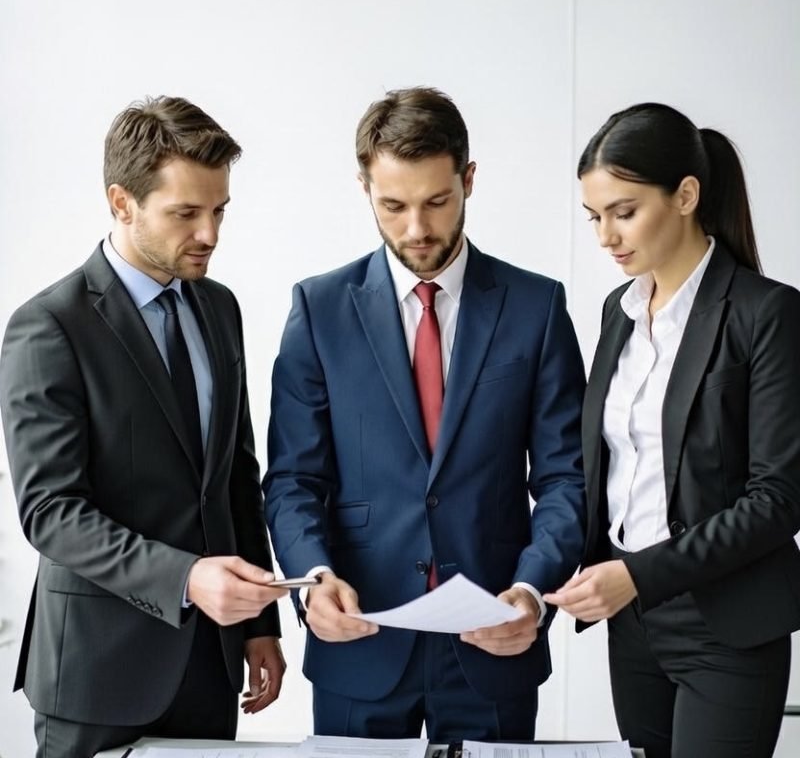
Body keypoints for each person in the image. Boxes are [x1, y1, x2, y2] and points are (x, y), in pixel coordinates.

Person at [263, 86, 586, 740]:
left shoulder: (537, 307)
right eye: (393, 205)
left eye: (437, 202)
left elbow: (564, 479)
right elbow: (295, 480)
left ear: (468, 180)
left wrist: (530, 592)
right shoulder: (319, 310)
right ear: (364, 190)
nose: (417, 229)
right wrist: (312, 581)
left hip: (494, 642)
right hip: (360, 642)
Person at [0, 96, 287, 758]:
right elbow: (52, 512)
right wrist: (187, 578)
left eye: (219, 211)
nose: (209, 233)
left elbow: (235, 481)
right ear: (122, 202)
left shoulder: (219, 308)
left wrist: (258, 624)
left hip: (210, 668)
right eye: (185, 213)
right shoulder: (50, 326)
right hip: (97, 675)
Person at [544, 102, 800, 758]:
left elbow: (779, 499)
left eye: (623, 212)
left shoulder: (766, 314)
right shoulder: (619, 312)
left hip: (729, 625)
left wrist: (642, 574)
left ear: (686, 195)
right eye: (594, 216)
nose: (605, 236)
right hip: (633, 624)